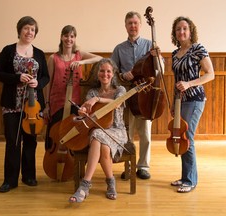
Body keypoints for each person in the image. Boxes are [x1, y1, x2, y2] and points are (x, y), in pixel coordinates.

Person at [0, 16, 50, 193]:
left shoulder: (39, 53)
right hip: (13, 104)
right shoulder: (8, 50)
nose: (29, 32)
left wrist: (38, 84)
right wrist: (17, 78)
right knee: (13, 141)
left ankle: (29, 176)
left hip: (33, 105)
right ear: (20, 30)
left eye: (32, 29)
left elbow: (45, 77)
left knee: (30, 141)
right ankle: (10, 180)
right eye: (26, 28)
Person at [111, 11, 163, 180]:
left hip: (146, 94)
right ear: (125, 26)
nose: (132, 26)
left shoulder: (150, 45)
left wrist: (158, 57)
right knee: (127, 133)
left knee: (145, 134)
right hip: (127, 95)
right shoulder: (119, 49)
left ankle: (143, 166)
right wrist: (122, 75)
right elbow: (112, 72)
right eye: (129, 23)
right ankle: (129, 165)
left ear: (140, 25)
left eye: (135, 23)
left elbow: (159, 68)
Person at [68, 58, 128, 203]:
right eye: (102, 71)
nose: (105, 74)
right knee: (102, 144)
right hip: (98, 130)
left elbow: (117, 103)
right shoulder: (92, 92)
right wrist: (83, 112)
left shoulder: (120, 90)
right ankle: (110, 182)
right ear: (97, 73)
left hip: (117, 131)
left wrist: (97, 100)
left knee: (96, 135)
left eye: (108, 71)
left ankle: (85, 185)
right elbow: (88, 116)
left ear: (113, 74)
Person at [169, 16, 214, 193]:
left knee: (187, 136)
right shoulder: (174, 54)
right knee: (180, 137)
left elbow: (210, 74)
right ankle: (185, 177)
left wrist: (189, 84)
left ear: (190, 31)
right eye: (178, 29)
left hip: (195, 99)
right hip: (181, 101)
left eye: (185, 29)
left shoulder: (198, 49)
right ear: (175, 33)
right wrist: (174, 103)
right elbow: (176, 81)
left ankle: (190, 180)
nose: (181, 32)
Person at [43, 25, 102, 151]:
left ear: (75, 39)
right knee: (55, 132)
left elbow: (100, 58)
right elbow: (48, 83)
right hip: (56, 102)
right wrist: (47, 104)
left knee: (73, 134)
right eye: (66, 36)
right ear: (61, 37)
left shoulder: (79, 55)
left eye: (72, 36)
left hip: (75, 101)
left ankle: (71, 165)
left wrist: (81, 62)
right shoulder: (53, 58)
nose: (69, 39)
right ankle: (54, 161)